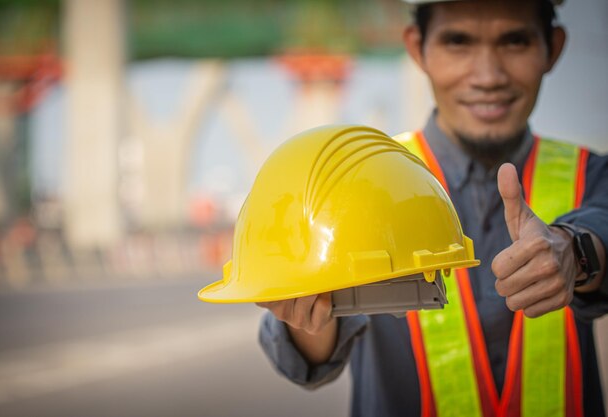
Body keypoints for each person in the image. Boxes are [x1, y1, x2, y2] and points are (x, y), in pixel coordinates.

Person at [257, 0, 608, 416]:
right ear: (416, 47)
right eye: (458, 42)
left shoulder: (593, 175)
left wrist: (575, 252)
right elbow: (299, 359)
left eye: (514, 41)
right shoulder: (358, 181)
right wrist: (310, 317)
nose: (488, 76)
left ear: (553, 47)